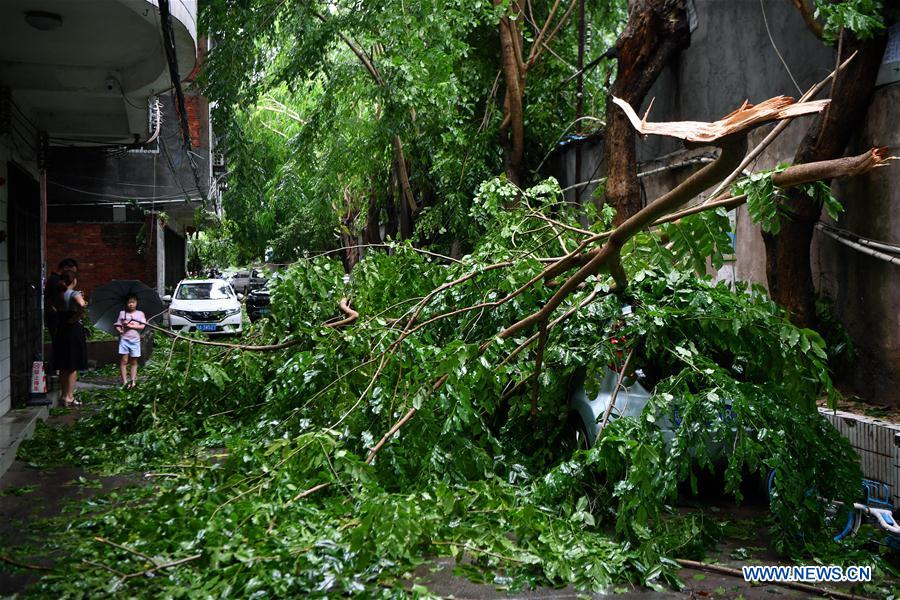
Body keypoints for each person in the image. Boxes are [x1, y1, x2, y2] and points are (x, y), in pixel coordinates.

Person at [52, 271, 87, 407]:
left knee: (63, 365)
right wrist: (77, 315)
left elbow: (52, 307)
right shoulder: (74, 293)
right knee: (73, 365)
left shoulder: (58, 294)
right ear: (74, 281)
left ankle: (63, 395)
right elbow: (82, 305)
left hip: (61, 330)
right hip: (73, 331)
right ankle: (70, 397)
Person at [115, 294, 146, 388]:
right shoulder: (122, 313)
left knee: (134, 361)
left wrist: (131, 326)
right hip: (124, 339)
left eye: (133, 302)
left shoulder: (140, 313)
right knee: (124, 360)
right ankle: (125, 381)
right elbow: (117, 325)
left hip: (135, 340)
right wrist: (120, 330)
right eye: (129, 302)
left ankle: (133, 381)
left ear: (136, 303)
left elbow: (143, 325)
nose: (131, 304)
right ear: (126, 303)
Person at [44, 258, 79, 343]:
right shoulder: (56, 280)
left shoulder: (55, 279)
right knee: (60, 344)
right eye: (72, 272)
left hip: (57, 318)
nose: (72, 276)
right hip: (56, 319)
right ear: (66, 268)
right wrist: (72, 288)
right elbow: (61, 299)